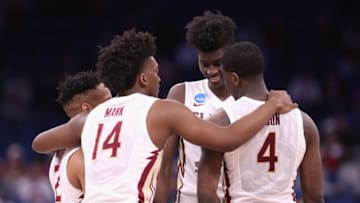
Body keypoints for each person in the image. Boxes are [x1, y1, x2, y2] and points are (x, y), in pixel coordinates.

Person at [32, 29, 297, 202]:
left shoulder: (89, 118)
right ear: (144, 78)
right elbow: (226, 139)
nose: (160, 77)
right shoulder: (161, 110)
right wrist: (271, 106)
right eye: (156, 71)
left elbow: (39, 143)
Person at [197, 42, 324, 203]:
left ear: (234, 79)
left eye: (226, 79)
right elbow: (315, 197)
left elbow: (206, 195)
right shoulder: (305, 123)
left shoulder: (220, 122)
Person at [155, 10, 237, 203]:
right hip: (190, 198)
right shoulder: (181, 94)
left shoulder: (249, 98)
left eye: (218, 63)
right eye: (204, 64)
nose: (211, 71)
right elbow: (165, 164)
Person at [33, 71, 112, 202]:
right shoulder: (81, 156)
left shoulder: (62, 150)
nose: (113, 106)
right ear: (87, 109)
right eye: (107, 102)